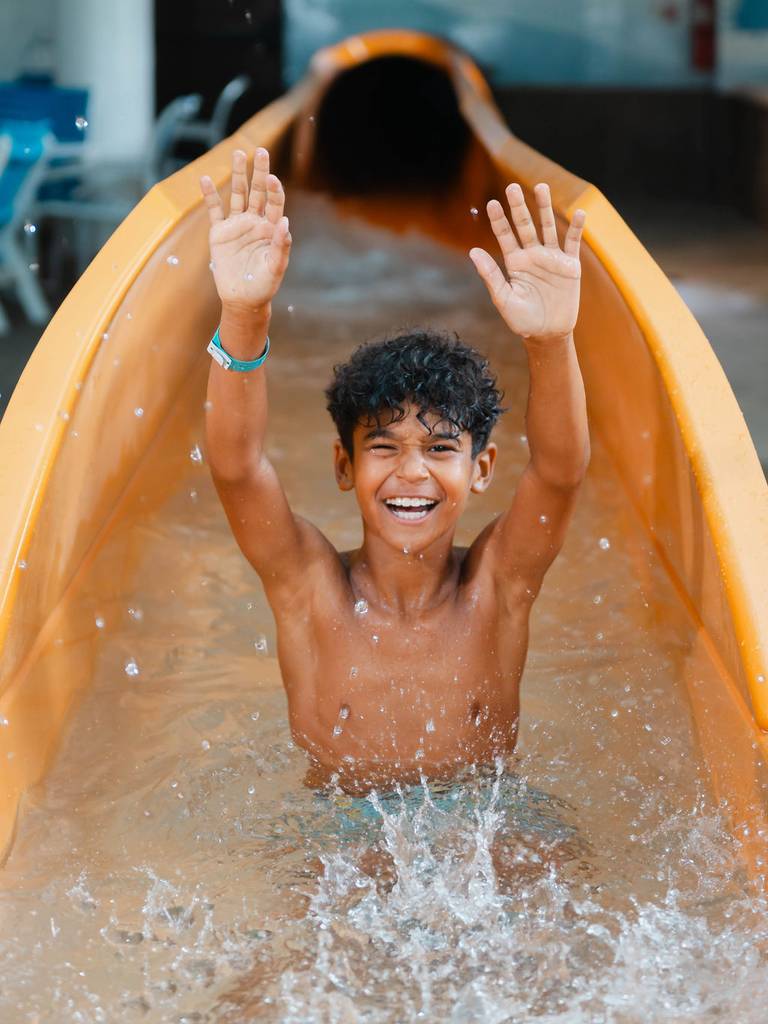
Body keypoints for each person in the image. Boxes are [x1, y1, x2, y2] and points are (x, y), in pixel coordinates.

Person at [199, 147, 589, 796]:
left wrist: (550, 343)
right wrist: (244, 314)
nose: (412, 473)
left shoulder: (496, 587)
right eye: (384, 447)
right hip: (345, 830)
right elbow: (236, 468)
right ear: (343, 465)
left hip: (478, 823)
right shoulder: (309, 589)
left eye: (440, 450)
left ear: (482, 467)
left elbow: (561, 471)